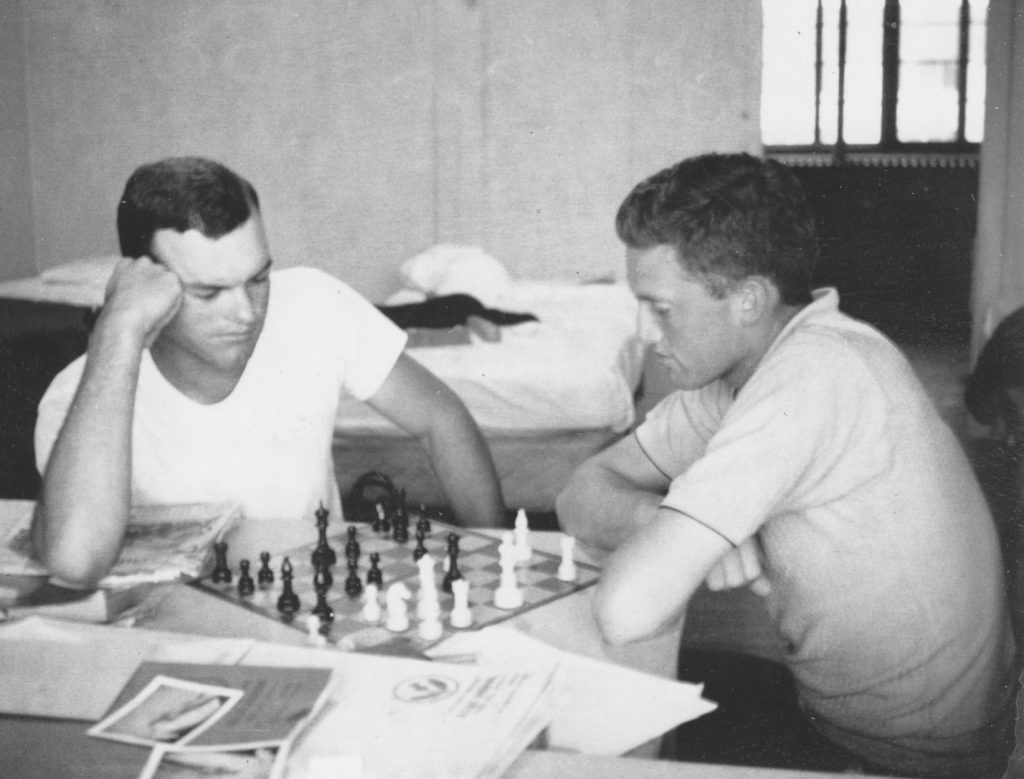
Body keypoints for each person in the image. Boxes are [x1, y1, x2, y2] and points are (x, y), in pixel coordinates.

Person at [556, 153, 1017, 777]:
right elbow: (579, 493)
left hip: (908, 761)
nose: (643, 332)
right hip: (843, 719)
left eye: (661, 308)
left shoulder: (814, 375)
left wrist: (676, 537)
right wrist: (660, 523)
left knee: (573, 743)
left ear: (747, 300)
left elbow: (625, 610)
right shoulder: (747, 373)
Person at [32, 157, 505, 588]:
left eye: (258, 279)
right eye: (208, 292)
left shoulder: (316, 302)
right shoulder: (80, 395)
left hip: (309, 602)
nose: (245, 313)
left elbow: (441, 418)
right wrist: (119, 330)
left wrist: (502, 557)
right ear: (143, 283)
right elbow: (76, 562)